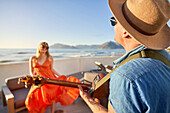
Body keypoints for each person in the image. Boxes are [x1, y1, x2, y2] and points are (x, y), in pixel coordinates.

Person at [78, 0, 170, 113]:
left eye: (114, 21)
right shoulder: (165, 57)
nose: (113, 25)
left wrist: (90, 102)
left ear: (125, 32)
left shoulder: (125, 77)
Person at [26, 42, 80, 113]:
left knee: (53, 96)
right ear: (39, 47)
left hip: (49, 78)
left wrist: (60, 75)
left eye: (47, 47)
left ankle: (52, 111)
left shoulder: (50, 58)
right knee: (31, 97)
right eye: (43, 46)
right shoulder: (33, 58)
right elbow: (31, 72)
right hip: (39, 80)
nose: (45, 48)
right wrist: (34, 76)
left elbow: (52, 69)